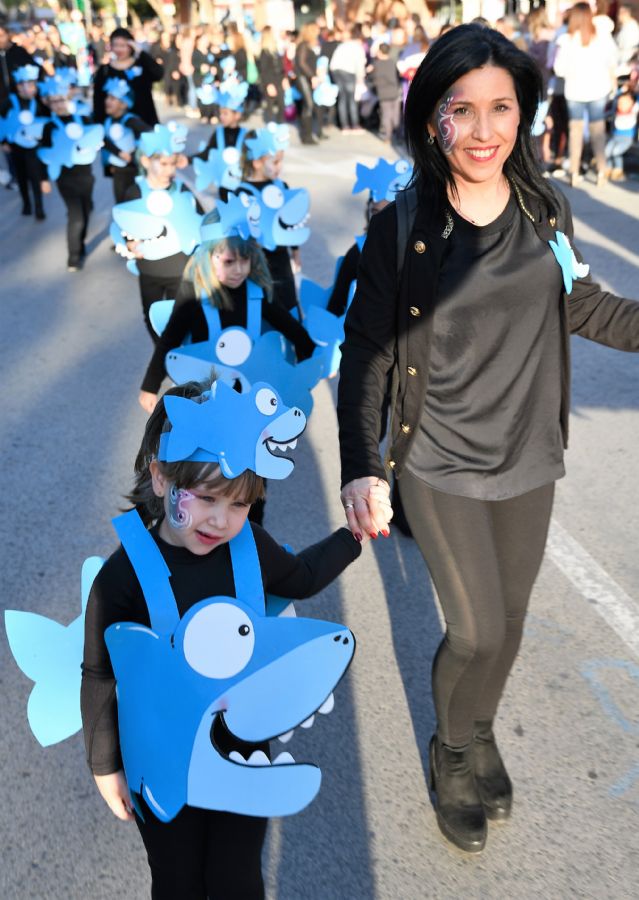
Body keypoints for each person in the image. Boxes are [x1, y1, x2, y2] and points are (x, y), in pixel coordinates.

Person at [336, 23, 639, 855]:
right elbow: (365, 350)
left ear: (523, 113)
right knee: (474, 631)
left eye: (499, 107)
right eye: (459, 109)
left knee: (508, 619)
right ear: (430, 117)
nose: (481, 131)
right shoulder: (401, 229)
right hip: (437, 459)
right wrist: (361, 468)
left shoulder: (547, 207)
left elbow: (580, 305)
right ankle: (454, 747)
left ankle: (477, 727)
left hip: (529, 453)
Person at [81, 378, 364, 899]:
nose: (221, 519)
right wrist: (105, 766)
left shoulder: (248, 545)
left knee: (236, 880)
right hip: (160, 760)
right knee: (177, 880)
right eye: (207, 498)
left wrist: (354, 535)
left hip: (241, 755)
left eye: (239, 504)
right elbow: (100, 671)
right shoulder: (123, 577)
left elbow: (300, 575)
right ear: (162, 476)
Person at [138, 209, 316, 415]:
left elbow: (291, 328)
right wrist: (150, 386)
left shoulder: (255, 290)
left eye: (245, 260)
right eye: (229, 262)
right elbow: (170, 339)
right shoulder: (194, 292)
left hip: (249, 389)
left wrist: (311, 362)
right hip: (206, 392)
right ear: (208, 257)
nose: (239, 270)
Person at [38, 74, 104, 271]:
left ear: (68, 98)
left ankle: (80, 244)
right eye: (54, 101)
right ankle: (73, 257)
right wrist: (43, 179)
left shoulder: (82, 119)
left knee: (84, 211)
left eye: (61, 99)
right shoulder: (49, 127)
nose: (58, 104)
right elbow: (44, 153)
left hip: (86, 175)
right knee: (76, 216)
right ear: (48, 103)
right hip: (64, 177)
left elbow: (96, 137)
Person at [553, 3, 618, 186]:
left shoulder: (566, 39)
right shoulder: (601, 37)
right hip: (598, 88)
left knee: (575, 131)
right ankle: (601, 171)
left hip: (574, 90)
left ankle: (574, 171)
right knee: (598, 130)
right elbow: (613, 60)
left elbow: (559, 69)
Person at [93, 27, 163, 126]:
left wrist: (141, 52)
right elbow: (98, 100)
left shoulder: (141, 65)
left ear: (131, 46)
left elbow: (158, 74)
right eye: (115, 45)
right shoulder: (104, 70)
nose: (119, 49)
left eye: (123, 45)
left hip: (144, 124)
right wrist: (99, 125)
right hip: (115, 129)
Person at [604, 84, 638, 180]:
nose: (622, 105)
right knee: (607, 151)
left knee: (615, 151)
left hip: (627, 138)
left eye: (626, 102)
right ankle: (608, 168)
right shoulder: (616, 110)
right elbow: (615, 98)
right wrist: (622, 89)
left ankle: (618, 169)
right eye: (620, 103)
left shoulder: (633, 110)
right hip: (615, 136)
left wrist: (634, 90)